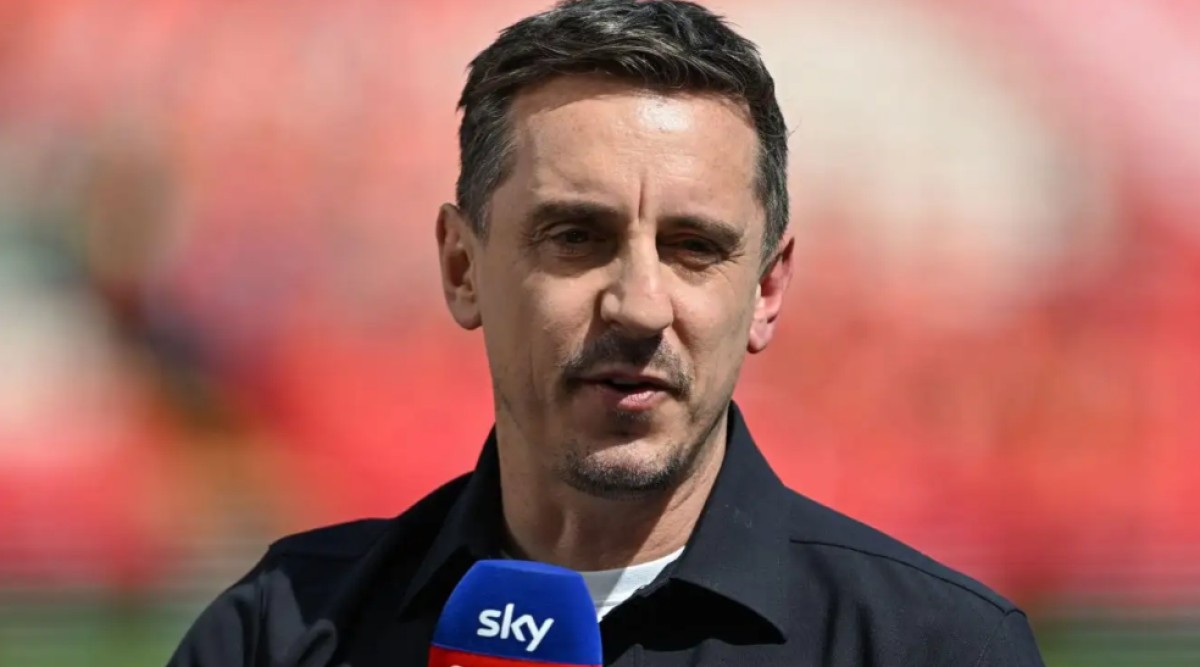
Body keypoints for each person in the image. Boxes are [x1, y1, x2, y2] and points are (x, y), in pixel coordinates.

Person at [168, 0, 1046, 664]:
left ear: (767, 288)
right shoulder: (279, 633)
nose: (639, 304)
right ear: (463, 267)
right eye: (576, 237)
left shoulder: (932, 645)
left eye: (694, 246)